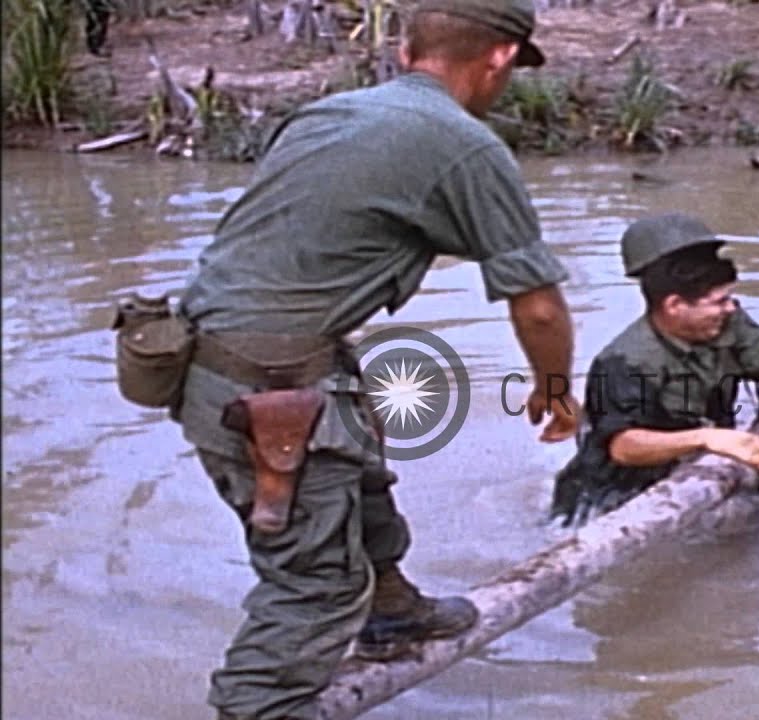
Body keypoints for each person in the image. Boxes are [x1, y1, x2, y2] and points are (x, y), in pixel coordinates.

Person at [174, 0, 580, 717]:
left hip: (211, 357)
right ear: (501, 59)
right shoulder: (467, 145)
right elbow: (539, 305)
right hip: (271, 387)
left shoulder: (327, 115)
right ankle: (258, 707)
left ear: (404, 55)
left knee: (356, 471)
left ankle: (390, 610)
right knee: (311, 589)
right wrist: (552, 388)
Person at [550, 213, 759, 526]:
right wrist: (708, 438)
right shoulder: (625, 362)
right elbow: (623, 446)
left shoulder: (726, 323)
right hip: (609, 498)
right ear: (675, 306)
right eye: (719, 301)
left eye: (731, 299)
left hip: (691, 473)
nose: (731, 308)